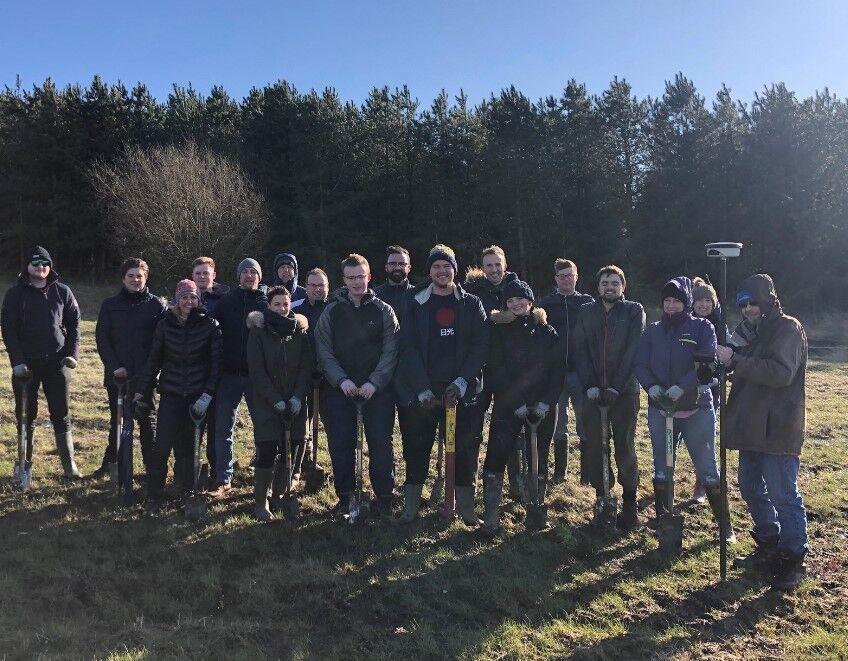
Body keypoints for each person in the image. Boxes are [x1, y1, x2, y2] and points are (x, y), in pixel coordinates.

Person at [718, 274, 808, 592]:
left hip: (779, 425)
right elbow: (734, 356)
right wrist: (723, 362)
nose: (748, 309)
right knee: (750, 486)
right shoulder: (747, 331)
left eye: (753, 302)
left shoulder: (788, 328)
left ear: (767, 299)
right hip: (749, 424)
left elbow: (781, 373)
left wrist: (738, 361)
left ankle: (793, 556)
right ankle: (769, 541)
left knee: (783, 493)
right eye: (742, 304)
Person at [394, 245, 489, 525]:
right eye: (436, 266)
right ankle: (410, 509)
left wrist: (462, 382)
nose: (442, 271)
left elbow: (480, 346)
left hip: (462, 391)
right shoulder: (415, 302)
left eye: (447, 266)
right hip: (426, 392)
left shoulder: (471, 304)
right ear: (429, 271)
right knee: (416, 447)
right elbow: (407, 347)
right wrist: (421, 387)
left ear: (455, 270)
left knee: (464, 449)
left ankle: (467, 509)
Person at [635, 277, 735, 542]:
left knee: (707, 467)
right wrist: (652, 387)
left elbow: (707, 362)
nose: (670, 306)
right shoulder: (653, 331)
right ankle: (663, 520)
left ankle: (725, 527)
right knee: (662, 466)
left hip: (696, 409)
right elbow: (641, 364)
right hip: (661, 410)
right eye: (666, 301)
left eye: (676, 302)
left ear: (686, 303)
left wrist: (684, 387)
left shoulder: (703, 328)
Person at [315, 254, 399, 518]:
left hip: (377, 391)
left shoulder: (384, 310)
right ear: (344, 280)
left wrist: (375, 382)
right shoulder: (332, 311)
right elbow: (324, 351)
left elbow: (391, 350)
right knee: (341, 444)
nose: (356, 283)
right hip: (341, 391)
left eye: (360, 277)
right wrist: (342, 381)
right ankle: (346, 497)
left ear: (369, 277)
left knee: (380, 445)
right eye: (351, 278)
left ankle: (384, 498)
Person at [481, 280, 563, 535]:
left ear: (530, 302)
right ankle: (492, 515)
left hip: (541, 407)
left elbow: (556, 372)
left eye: (521, 299)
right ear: (505, 304)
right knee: (497, 453)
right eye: (511, 301)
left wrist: (545, 403)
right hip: (508, 406)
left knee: (538, 455)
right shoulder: (498, 330)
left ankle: (535, 508)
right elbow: (495, 370)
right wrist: (514, 402)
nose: (517, 304)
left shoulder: (546, 332)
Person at [134, 280, 222, 515]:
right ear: (176, 300)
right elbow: (154, 361)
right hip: (171, 395)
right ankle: (154, 496)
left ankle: (187, 493)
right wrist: (141, 391)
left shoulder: (210, 325)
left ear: (199, 300)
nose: (189, 302)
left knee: (189, 449)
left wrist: (207, 395)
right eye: (184, 297)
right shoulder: (165, 326)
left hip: (197, 398)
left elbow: (216, 366)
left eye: (193, 297)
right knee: (161, 447)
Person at [572, 265, 645, 529]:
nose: (609, 287)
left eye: (615, 283)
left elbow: (633, 351)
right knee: (594, 446)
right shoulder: (586, 312)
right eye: (605, 283)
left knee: (624, 446)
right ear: (598, 286)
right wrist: (590, 384)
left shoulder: (633, 311)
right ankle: (603, 498)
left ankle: (629, 504)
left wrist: (616, 386)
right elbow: (579, 350)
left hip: (624, 392)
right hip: (592, 392)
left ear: (623, 287)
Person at [1, 246, 82, 479]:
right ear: (27, 266)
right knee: (26, 414)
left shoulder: (63, 292)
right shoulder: (15, 294)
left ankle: (69, 466)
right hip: (26, 366)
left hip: (57, 363)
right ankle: (24, 464)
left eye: (45, 263)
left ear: (50, 267)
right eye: (36, 263)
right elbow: (9, 330)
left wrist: (72, 354)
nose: (41, 267)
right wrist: (17, 361)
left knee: (61, 413)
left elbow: (75, 326)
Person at [94, 258, 166, 499]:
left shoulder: (156, 306)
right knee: (119, 423)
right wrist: (115, 367)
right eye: (131, 276)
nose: (136, 280)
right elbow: (102, 339)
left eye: (140, 276)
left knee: (147, 422)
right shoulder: (110, 305)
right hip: (118, 377)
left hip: (146, 377)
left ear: (146, 279)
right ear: (123, 278)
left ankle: (150, 470)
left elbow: (160, 343)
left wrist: (149, 373)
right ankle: (117, 469)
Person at [246, 286, 312, 520]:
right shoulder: (259, 332)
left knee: (291, 450)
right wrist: (275, 400)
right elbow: (256, 370)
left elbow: (306, 367)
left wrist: (296, 397)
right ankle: (260, 502)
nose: (282, 309)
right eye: (277, 304)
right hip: (267, 402)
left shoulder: (299, 332)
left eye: (286, 304)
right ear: (269, 306)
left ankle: (279, 496)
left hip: (294, 402)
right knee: (266, 450)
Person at [463, 245, 523, 499]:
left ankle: (515, 483)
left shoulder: (518, 290)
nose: (494, 269)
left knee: (509, 429)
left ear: (505, 265)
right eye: (489, 265)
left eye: (498, 264)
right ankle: (471, 484)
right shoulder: (473, 292)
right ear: (482, 267)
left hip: (509, 373)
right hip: (480, 370)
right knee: (473, 428)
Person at [210, 258, 268, 494]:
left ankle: (263, 476)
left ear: (259, 277)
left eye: (253, 272)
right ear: (238, 276)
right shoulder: (226, 302)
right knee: (224, 429)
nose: (249, 275)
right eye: (245, 272)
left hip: (257, 376)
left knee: (262, 428)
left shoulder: (266, 303)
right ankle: (224, 478)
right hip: (229, 375)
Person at [537, 258, 594, 484]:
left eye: (570, 275)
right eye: (562, 276)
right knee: (558, 426)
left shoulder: (588, 303)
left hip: (582, 374)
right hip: (556, 374)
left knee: (585, 424)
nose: (566, 280)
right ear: (556, 279)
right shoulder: (547, 304)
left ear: (577, 277)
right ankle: (560, 473)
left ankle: (586, 475)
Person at [191, 256, 230, 478]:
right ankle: (190, 471)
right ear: (193, 276)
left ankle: (216, 471)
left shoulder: (224, 299)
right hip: (192, 370)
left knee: (217, 424)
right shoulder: (185, 297)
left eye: (206, 273)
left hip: (217, 369)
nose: (203, 277)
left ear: (214, 275)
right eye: (198, 273)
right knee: (193, 423)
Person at [688, 276, 727, 503]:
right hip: (683, 390)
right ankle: (665, 483)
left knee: (705, 441)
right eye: (699, 300)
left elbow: (725, 354)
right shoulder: (684, 323)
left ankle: (701, 485)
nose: (704, 305)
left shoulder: (720, 326)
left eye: (708, 301)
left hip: (710, 392)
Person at [292, 267, 330, 477]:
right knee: (301, 426)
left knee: (331, 425)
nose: (317, 289)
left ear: (328, 287)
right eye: (313, 285)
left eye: (321, 285)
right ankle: (301, 465)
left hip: (330, 378)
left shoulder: (334, 308)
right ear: (305, 287)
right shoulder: (296, 309)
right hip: (303, 376)